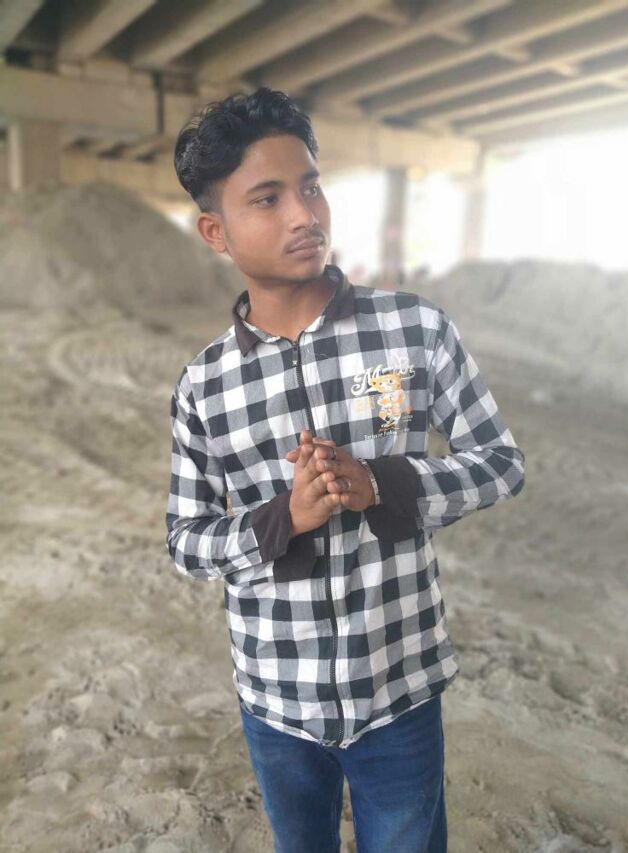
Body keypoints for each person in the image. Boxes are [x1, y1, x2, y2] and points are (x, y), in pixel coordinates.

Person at [166, 87, 526, 853]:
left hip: (399, 686)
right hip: (277, 700)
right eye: (267, 198)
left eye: (311, 186)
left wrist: (386, 484)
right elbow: (186, 540)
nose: (304, 214)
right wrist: (282, 518)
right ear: (215, 231)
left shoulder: (414, 329)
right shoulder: (204, 385)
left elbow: (500, 462)